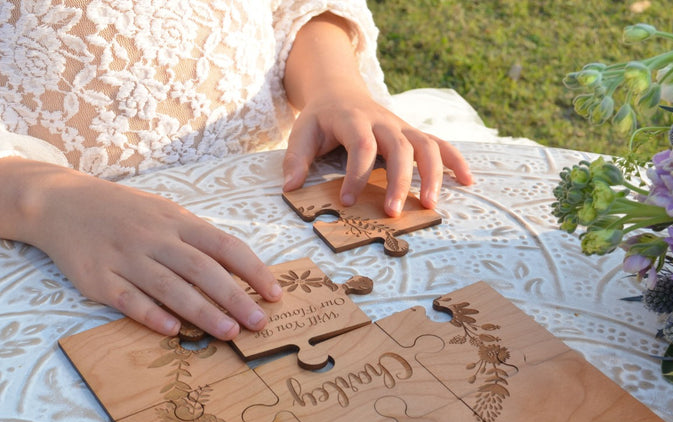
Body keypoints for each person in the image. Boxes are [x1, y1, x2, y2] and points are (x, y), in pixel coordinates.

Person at [0, 3, 472, 341]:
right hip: (52, 240)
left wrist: (334, 85)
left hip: (272, 193)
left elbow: (294, 9)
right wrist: (43, 199)